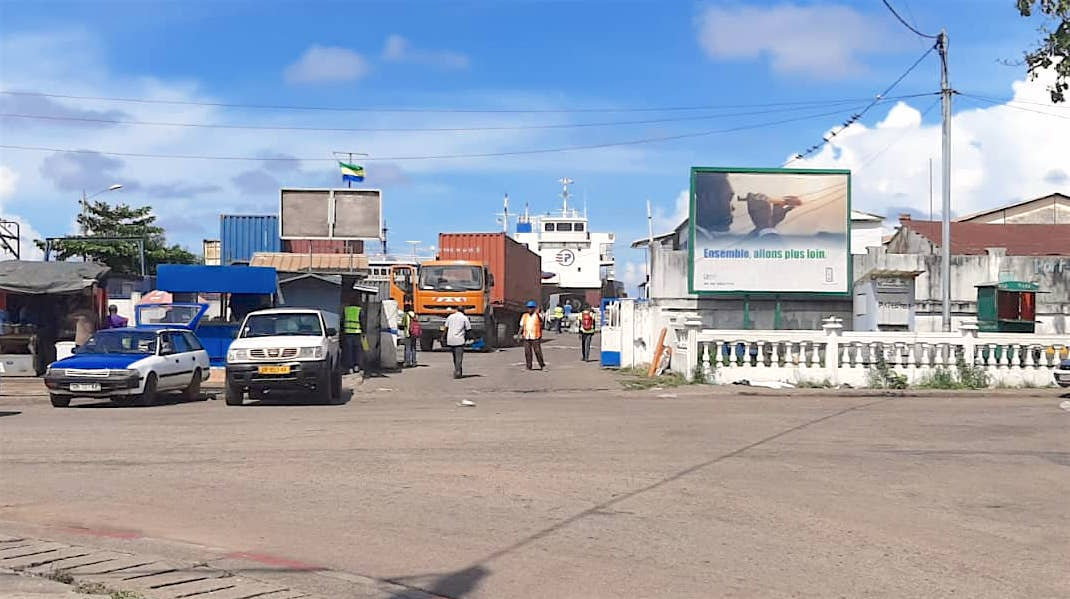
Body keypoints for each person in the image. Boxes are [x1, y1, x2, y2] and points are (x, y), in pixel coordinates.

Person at [444, 306, 471, 379]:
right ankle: (458, 371)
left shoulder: (450, 317)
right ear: (463, 311)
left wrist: (443, 337)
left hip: (450, 339)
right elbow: (468, 329)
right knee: (459, 357)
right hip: (459, 340)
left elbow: (446, 328)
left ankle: (457, 369)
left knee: (454, 357)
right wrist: (469, 338)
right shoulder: (464, 318)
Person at [518, 300, 546, 371]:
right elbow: (521, 326)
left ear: (534, 308)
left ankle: (542, 365)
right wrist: (519, 335)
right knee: (527, 352)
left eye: (531, 308)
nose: (529, 309)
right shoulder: (524, 316)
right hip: (527, 336)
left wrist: (538, 312)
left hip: (535, 336)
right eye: (528, 308)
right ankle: (528, 366)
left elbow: (542, 322)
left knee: (537, 351)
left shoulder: (537, 315)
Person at [343, 302, 364, 374]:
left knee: (349, 351)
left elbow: (342, 321)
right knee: (357, 351)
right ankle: (356, 366)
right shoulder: (359, 310)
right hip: (357, 333)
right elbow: (362, 322)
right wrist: (364, 331)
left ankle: (350, 368)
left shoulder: (346, 310)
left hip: (348, 333)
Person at [401, 302, 419, 368]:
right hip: (414, 333)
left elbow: (403, 324)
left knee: (407, 348)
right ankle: (414, 362)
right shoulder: (415, 315)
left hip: (408, 333)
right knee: (413, 348)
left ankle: (407, 362)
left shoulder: (406, 315)